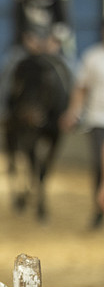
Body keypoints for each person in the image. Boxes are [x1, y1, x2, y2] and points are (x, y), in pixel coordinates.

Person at [0, 0, 71, 120]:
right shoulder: (24, 1)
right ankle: (3, 109)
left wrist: (54, 41)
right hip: (27, 47)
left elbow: (64, 26)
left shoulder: (57, 1)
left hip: (51, 47)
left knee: (71, 67)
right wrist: (28, 41)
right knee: (7, 65)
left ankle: (70, 112)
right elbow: (18, 27)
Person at [62, 20, 104, 229]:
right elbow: (81, 89)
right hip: (98, 119)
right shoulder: (92, 57)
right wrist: (73, 113)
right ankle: (98, 210)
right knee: (98, 165)